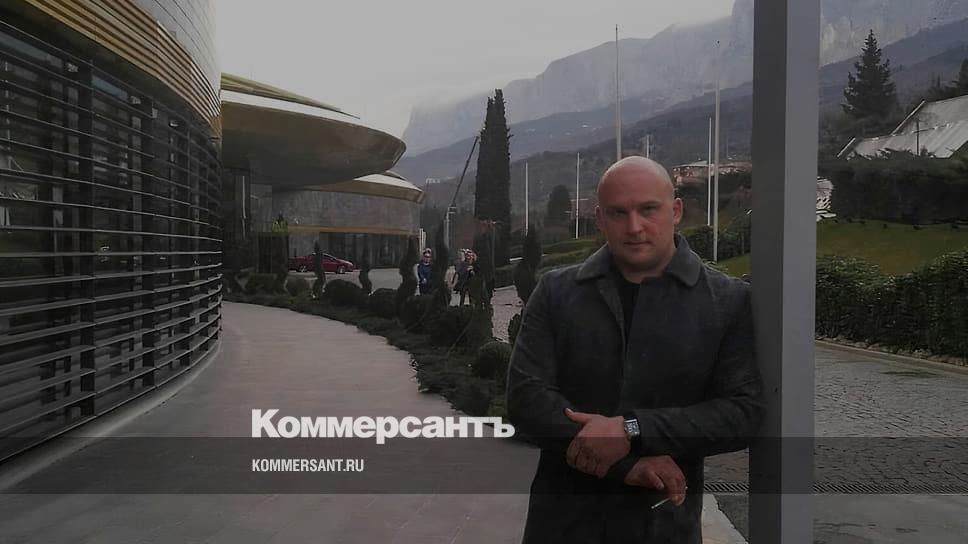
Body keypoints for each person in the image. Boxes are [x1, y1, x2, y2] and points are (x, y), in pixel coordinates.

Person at [506, 157, 764, 544]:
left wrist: (632, 428)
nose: (634, 227)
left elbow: (741, 414)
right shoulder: (557, 292)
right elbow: (526, 399)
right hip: (562, 526)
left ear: (676, 211)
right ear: (599, 218)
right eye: (618, 213)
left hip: (664, 528)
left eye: (648, 209)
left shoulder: (727, 301)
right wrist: (626, 466)